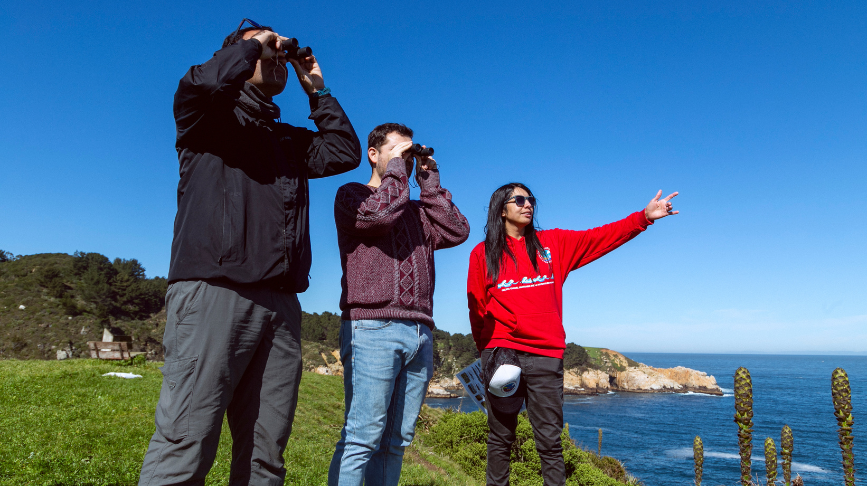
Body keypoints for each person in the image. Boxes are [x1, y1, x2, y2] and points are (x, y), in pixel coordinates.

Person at [138, 19, 361, 486]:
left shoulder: (287, 140)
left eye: (280, 53)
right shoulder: (207, 120)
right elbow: (200, 84)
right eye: (267, 51)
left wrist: (316, 90)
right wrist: (254, 43)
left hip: (280, 304)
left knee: (266, 455)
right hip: (214, 293)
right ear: (238, 57)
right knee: (186, 441)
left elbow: (343, 152)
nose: (276, 57)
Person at [466, 183, 678, 486]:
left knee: (550, 442)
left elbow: (598, 237)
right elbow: (477, 307)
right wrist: (485, 354)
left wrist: (643, 217)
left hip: (545, 356)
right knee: (501, 437)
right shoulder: (482, 253)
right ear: (501, 208)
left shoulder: (553, 244)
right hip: (502, 354)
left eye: (532, 200)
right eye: (520, 200)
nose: (529, 205)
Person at [328, 123, 470, 485]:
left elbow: (458, 231)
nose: (405, 162)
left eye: (410, 155)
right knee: (362, 437)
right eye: (399, 153)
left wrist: (431, 185)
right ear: (373, 154)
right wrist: (396, 172)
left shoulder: (419, 210)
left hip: (420, 332)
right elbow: (378, 215)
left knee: (395, 442)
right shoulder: (352, 195)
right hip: (372, 327)